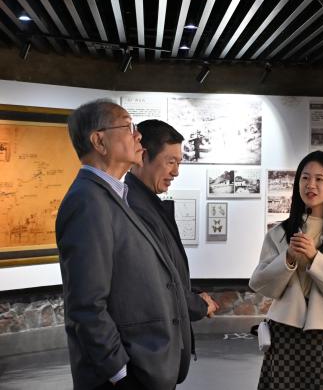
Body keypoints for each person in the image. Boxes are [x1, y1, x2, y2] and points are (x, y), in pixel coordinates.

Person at [56, 100, 192, 389]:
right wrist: (120, 373)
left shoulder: (113, 197)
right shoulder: (88, 202)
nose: (138, 135)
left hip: (145, 365)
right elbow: (86, 305)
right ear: (99, 141)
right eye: (129, 127)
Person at [249, 150, 323, 389]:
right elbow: (260, 283)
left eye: (319, 179)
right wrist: (288, 259)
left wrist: (315, 258)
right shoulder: (280, 233)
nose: (310, 185)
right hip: (283, 332)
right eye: (305, 178)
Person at [125, 120, 220, 365]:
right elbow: (153, 282)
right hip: (148, 350)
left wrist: (194, 295)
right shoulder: (135, 209)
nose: (176, 172)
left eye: (179, 163)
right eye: (170, 162)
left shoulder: (148, 204)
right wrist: (198, 305)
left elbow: (166, 271)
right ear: (143, 155)